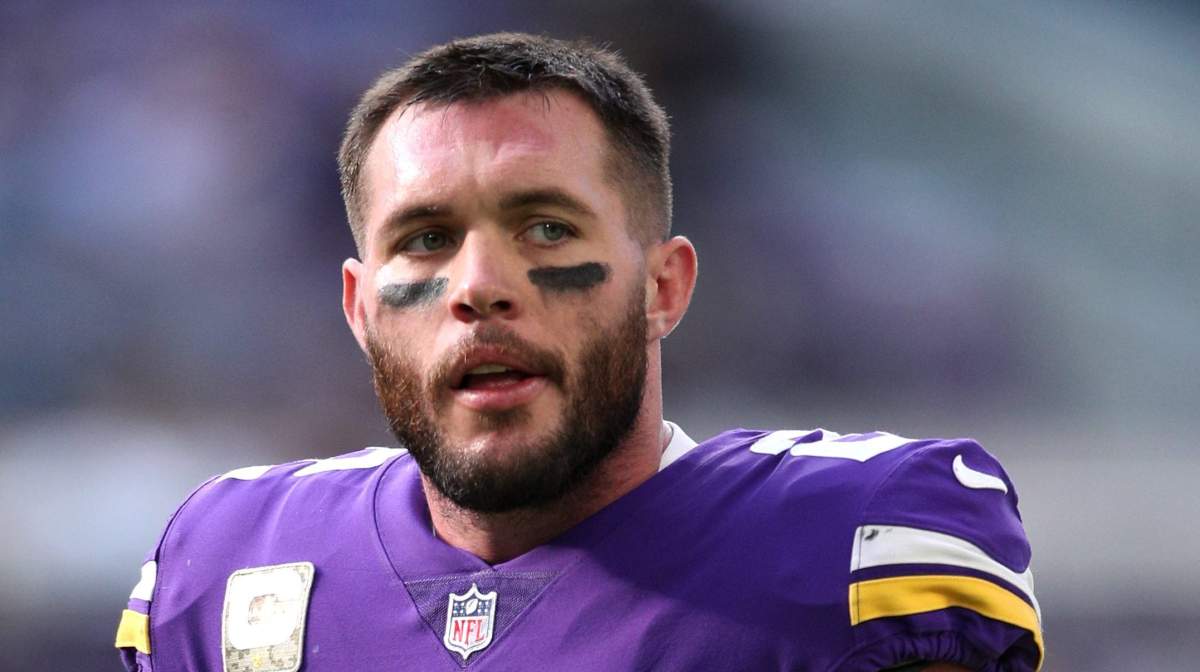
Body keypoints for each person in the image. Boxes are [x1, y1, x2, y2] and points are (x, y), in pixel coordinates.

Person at [115, 33, 1042, 672]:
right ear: (360, 309)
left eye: (547, 228)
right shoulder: (232, 562)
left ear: (662, 288)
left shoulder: (848, 545)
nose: (480, 285)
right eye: (426, 240)